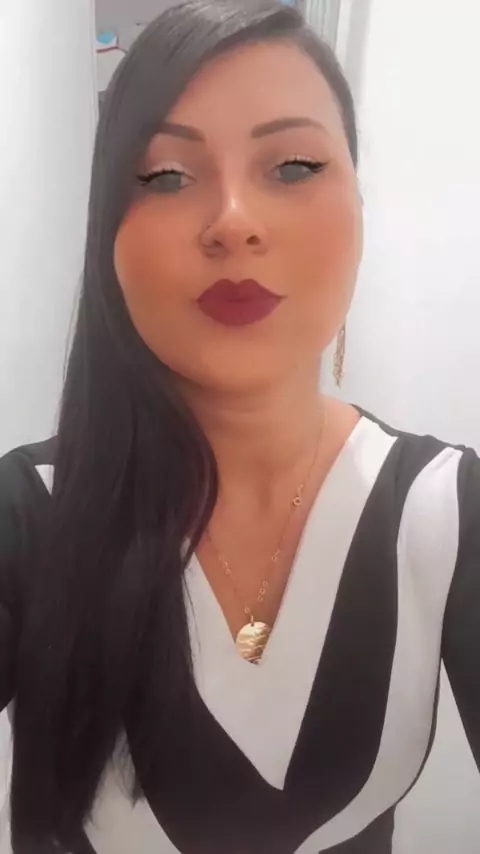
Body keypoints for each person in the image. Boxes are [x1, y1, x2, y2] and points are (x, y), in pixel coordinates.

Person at [0, 0, 478, 851]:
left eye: (292, 166)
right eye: (166, 177)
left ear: (358, 207)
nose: (233, 220)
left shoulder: (446, 511)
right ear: (107, 239)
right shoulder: (28, 511)